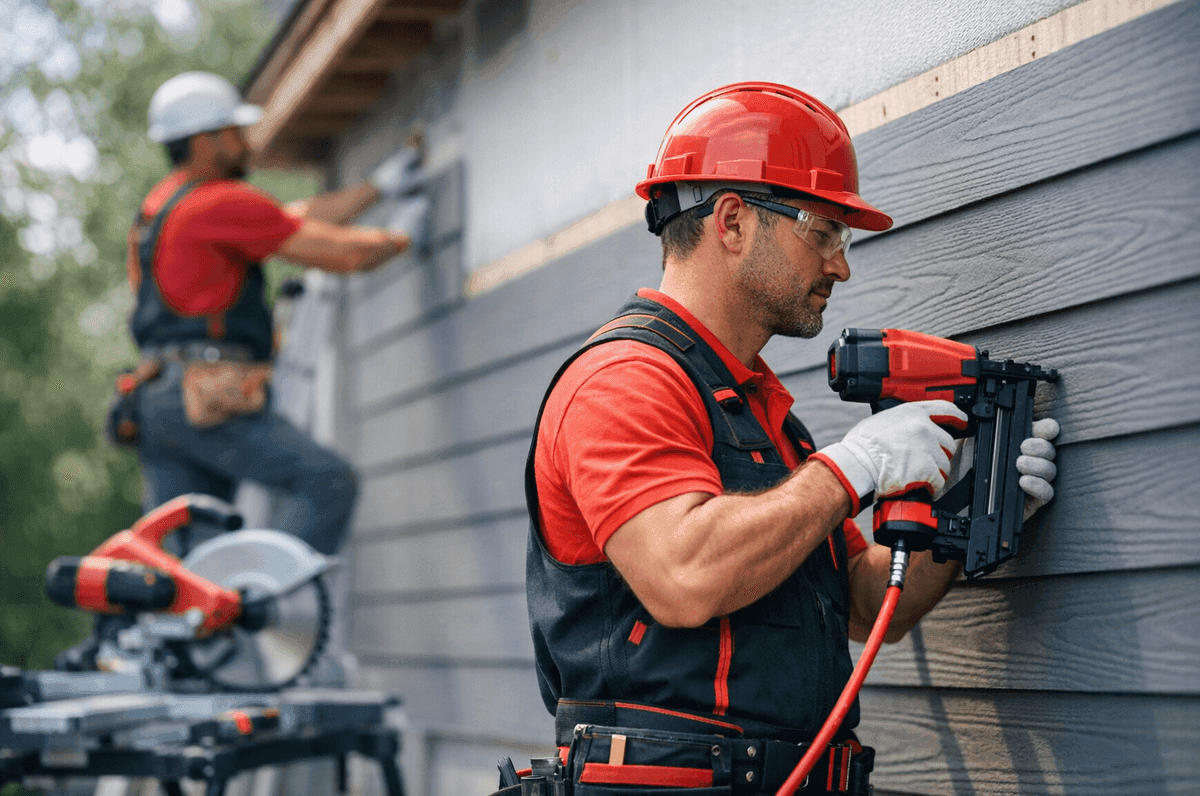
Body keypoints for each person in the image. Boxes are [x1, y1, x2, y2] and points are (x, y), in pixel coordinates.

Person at [521, 82, 1059, 794]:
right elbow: (683, 576)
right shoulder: (623, 381)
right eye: (823, 230)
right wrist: (852, 466)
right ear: (733, 222)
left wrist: (969, 514)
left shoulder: (764, 416)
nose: (840, 264)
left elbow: (866, 603)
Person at [123, 71, 423, 557]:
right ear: (204, 140)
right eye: (235, 132)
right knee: (326, 482)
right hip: (206, 394)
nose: (247, 143)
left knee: (190, 555)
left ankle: (213, 604)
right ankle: (256, 593)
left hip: (158, 399)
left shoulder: (159, 209)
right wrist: (400, 237)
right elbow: (344, 254)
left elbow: (288, 218)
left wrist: (376, 189)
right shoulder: (217, 201)